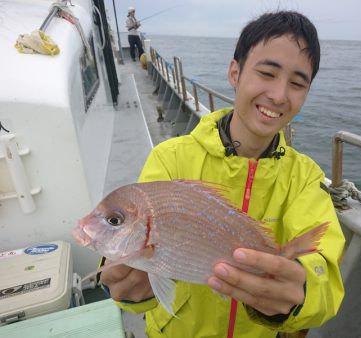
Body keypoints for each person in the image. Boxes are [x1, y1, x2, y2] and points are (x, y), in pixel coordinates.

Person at [100, 10, 345, 338]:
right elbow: (143, 274)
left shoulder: (305, 179)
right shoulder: (170, 158)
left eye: (297, 83)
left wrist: (302, 291)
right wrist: (131, 291)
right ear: (235, 72)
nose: (278, 94)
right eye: (267, 73)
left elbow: (324, 276)